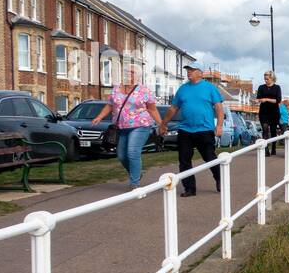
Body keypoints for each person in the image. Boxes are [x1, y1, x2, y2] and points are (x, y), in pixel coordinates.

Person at [159, 63, 223, 197]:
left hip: (204, 129)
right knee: (184, 160)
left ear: (200, 73)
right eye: (188, 70)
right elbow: (173, 108)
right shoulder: (182, 89)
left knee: (210, 158)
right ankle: (189, 188)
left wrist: (219, 126)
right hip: (185, 130)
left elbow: (218, 108)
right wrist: (163, 123)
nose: (189, 72)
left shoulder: (210, 88)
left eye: (192, 70)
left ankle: (219, 180)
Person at [90, 79, 163, 188]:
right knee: (122, 155)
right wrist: (99, 117)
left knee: (132, 151)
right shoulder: (116, 89)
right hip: (121, 127)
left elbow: (152, 109)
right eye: (127, 72)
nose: (129, 75)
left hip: (140, 125)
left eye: (132, 72)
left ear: (137, 76)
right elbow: (110, 105)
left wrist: (161, 124)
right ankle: (137, 173)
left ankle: (134, 184)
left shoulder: (144, 90)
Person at [256, 70, 283, 156]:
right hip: (264, 112)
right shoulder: (261, 87)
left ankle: (274, 147)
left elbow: (278, 100)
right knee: (265, 129)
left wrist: (267, 99)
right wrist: (257, 100)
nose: (266, 80)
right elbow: (258, 98)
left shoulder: (277, 87)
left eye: (267, 79)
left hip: (274, 112)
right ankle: (266, 149)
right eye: (265, 79)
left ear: (272, 78)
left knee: (273, 130)